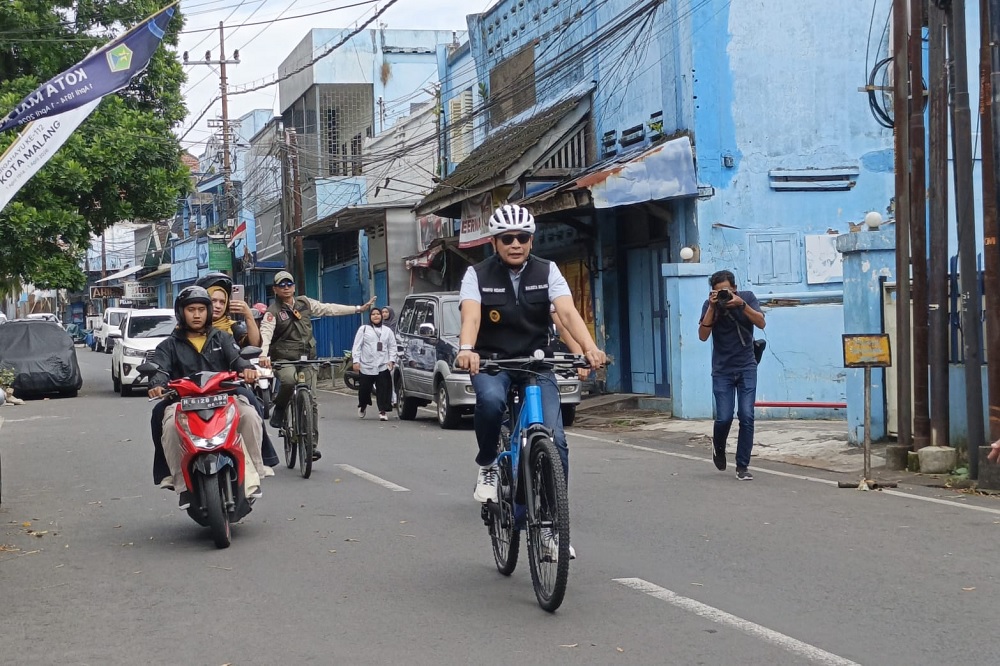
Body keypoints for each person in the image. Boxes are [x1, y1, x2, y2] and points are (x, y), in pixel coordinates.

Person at [456, 203, 606, 559]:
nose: (515, 244)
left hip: (537, 364)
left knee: (555, 441)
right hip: (493, 362)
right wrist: (466, 348)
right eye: (507, 238)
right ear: (495, 242)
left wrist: (589, 348)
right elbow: (472, 317)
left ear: (531, 240)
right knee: (491, 403)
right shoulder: (476, 275)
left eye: (522, 238)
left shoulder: (548, 270)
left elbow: (567, 312)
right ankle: (488, 465)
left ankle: (553, 525)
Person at [147, 286, 265, 508]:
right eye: (191, 309)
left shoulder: (222, 338)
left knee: (250, 413)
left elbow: (238, 361)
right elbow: (159, 371)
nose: (197, 314)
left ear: (208, 311)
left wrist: (247, 369)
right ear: (182, 312)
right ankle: (180, 485)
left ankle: (255, 474)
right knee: (168, 424)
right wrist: (156, 385)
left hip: (224, 399)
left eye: (202, 309)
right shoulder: (168, 346)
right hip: (183, 403)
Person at [258, 271, 377, 461]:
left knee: (311, 400)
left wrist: (357, 309)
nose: (286, 287)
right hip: (285, 359)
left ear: (294, 287)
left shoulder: (304, 303)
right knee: (289, 381)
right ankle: (280, 408)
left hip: (307, 357)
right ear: (275, 289)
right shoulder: (272, 313)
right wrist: (263, 355)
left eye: (289, 283)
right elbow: (265, 334)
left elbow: (328, 309)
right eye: (282, 285)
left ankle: (311, 446)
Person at [698, 269, 766, 481]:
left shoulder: (747, 298)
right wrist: (712, 307)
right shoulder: (710, 305)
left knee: (746, 416)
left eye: (725, 291)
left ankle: (742, 466)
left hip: (746, 366)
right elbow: (702, 335)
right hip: (722, 370)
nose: (722, 295)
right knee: (724, 417)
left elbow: (761, 323)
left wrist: (740, 304)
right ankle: (719, 448)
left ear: (734, 288)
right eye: (717, 292)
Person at [351, 307, 398, 421]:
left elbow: (392, 346)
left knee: (383, 389)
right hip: (367, 365)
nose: (376, 316)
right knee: (364, 390)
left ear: (381, 316)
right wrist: (356, 361)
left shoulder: (387, 331)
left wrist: (391, 360)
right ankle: (362, 405)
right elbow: (357, 346)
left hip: (382, 364)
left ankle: (382, 411)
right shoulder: (364, 329)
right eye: (373, 314)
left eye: (378, 314)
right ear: (370, 317)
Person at [197, 272, 261, 347]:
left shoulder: (232, 326)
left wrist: (248, 315)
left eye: (222, 302)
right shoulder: (191, 327)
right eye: (213, 301)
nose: (218, 306)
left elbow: (254, 344)